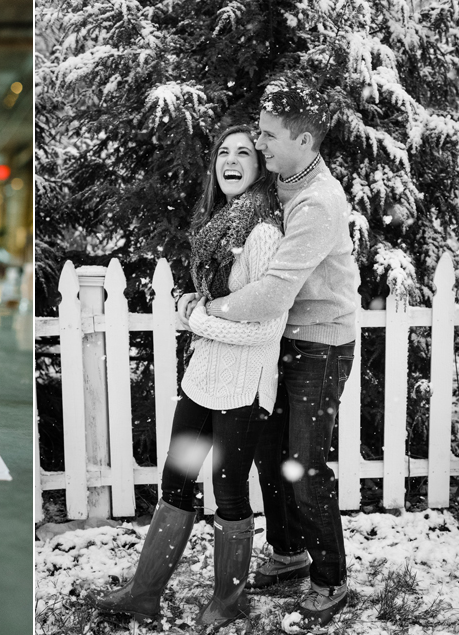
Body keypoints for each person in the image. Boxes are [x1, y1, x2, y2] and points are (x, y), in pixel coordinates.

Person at [90, 124, 286, 630]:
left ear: (261, 167)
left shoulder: (264, 234)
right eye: (224, 151)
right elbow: (211, 305)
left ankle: (228, 603)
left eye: (245, 152)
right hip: (202, 381)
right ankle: (143, 593)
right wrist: (190, 307)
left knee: (229, 490)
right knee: (176, 480)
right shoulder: (215, 226)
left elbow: (267, 328)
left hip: (244, 385)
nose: (232, 160)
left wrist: (195, 317)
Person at [182, 80, 360, 632]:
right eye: (256, 131)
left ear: (304, 141)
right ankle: (288, 555)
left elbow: (274, 293)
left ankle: (330, 579)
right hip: (281, 341)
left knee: (304, 463)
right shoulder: (279, 185)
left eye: (269, 135)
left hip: (320, 343)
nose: (258, 142)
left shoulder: (316, 203)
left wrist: (203, 309)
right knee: (267, 453)